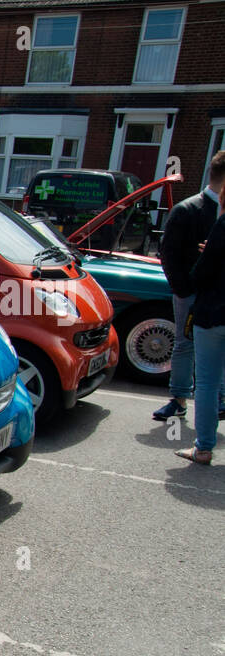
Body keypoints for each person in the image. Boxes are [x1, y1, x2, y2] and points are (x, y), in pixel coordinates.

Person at [155, 150, 225, 422]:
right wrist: (183, 291)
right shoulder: (188, 209)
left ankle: (218, 401)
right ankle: (179, 398)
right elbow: (168, 254)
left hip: (219, 294)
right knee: (185, 344)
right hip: (193, 293)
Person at [176, 187, 225, 464]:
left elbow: (200, 275)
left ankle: (203, 447)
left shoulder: (222, 225)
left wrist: (210, 254)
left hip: (213, 314)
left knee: (207, 382)